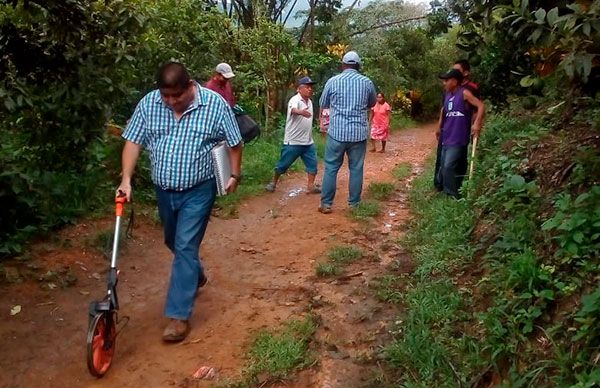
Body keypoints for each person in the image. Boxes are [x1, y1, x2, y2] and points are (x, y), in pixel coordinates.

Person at [117, 62, 243, 342]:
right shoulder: (150, 104)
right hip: (164, 190)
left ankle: (178, 315)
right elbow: (133, 142)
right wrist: (126, 179)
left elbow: (235, 142)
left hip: (199, 189)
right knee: (173, 241)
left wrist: (234, 174)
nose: (172, 102)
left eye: (177, 96)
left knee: (185, 245)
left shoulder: (214, 104)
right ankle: (195, 274)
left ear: (190, 86)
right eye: (166, 97)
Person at [318, 51, 377, 214]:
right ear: (358, 66)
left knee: (331, 167)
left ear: (343, 65)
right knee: (356, 168)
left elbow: (323, 103)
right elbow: (372, 103)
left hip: (336, 132)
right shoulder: (366, 82)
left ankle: (326, 204)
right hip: (358, 133)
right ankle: (354, 204)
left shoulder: (333, 81)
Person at [265, 76, 321, 194]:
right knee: (283, 165)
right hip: (293, 141)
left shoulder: (310, 102)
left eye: (311, 87)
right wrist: (301, 112)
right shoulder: (295, 99)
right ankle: (273, 183)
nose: (310, 89)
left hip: (307, 142)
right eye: (307, 87)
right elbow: (293, 110)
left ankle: (310, 186)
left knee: (313, 165)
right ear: (299, 89)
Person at [435, 68, 485, 198]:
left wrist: (477, 123)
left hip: (459, 138)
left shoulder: (464, 93)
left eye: (446, 80)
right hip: (447, 137)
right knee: (444, 167)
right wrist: (439, 127)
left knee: (448, 166)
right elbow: (444, 111)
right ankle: (450, 192)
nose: (444, 83)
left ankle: (453, 195)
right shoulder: (447, 95)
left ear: (455, 81)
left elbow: (480, 106)